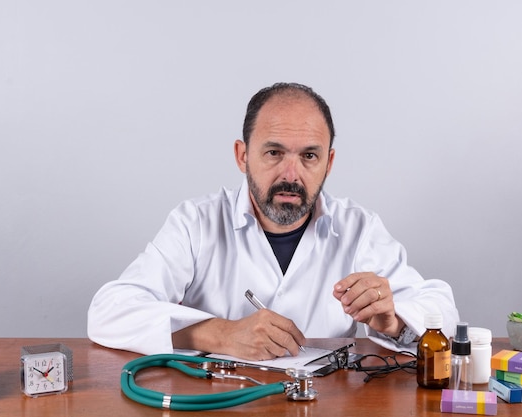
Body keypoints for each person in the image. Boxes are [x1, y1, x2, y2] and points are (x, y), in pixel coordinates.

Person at [87, 82, 459, 360]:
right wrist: (219, 333)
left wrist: (392, 319)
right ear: (242, 155)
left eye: (309, 156)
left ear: (328, 163)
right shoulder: (195, 222)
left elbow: (441, 308)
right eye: (274, 152)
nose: (291, 174)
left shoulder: (359, 228)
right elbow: (109, 311)